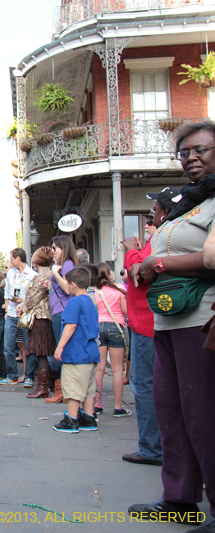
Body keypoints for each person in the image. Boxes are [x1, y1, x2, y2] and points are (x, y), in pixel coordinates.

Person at [129, 121, 215, 530]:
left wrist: (159, 263)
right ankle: (180, 498)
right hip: (166, 321)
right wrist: (144, 269)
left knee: (203, 412)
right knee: (171, 410)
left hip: (202, 321)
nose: (191, 158)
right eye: (184, 152)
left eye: (201, 150)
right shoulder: (189, 203)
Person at [120, 188, 178, 467]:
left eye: (153, 212)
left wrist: (131, 251)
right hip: (149, 322)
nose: (149, 219)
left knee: (144, 384)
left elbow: (141, 272)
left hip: (147, 323)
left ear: (164, 213)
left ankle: (152, 447)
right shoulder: (164, 235)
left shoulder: (163, 236)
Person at [52, 267, 99, 434]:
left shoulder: (74, 302)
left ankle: (71, 419)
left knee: (73, 388)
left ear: (73, 284)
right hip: (91, 351)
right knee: (88, 389)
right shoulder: (91, 301)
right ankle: (88, 417)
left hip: (76, 352)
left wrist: (60, 346)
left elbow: (71, 325)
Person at [92, 262, 129, 418]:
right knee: (117, 369)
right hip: (115, 327)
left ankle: (97, 405)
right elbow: (125, 311)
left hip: (98, 327)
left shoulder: (94, 291)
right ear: (108, 274)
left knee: (99, 369)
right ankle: (118, 407)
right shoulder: (119, 289)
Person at [18, 246, 55, 398]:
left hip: (39, 317)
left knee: (40, 353)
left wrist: (22, 307)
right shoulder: (52, 275)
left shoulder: (41, 277)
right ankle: (49, 384)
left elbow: (32, 298)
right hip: (48, 316)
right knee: (45, 352)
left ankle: (42, 387)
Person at [46, 235, 77, 403]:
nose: (53, 251)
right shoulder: (64, 265)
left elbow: (68, 288)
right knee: (61, 349)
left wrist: (54, 273)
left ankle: (63, 390)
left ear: (63, 248)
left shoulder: (67, 264)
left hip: (62, 312)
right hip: (59, 311)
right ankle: (63, 390)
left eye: (55, 247)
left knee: (61, 350)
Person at [1, 248, 35, 385]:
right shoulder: (10, 273)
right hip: (12, 313)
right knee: (8, 346)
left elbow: (34, 296)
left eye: (12, 259)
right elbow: (6, 292)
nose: (10, 261)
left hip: (26, 313)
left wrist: (24, 301)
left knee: (28, 345)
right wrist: (7, 310)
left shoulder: (32, 274)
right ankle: (12, 375)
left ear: (18, 258)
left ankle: (29, 376)